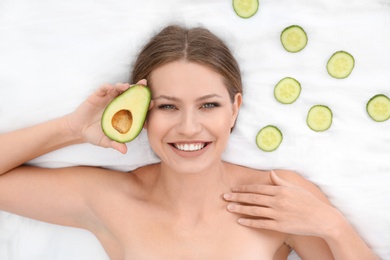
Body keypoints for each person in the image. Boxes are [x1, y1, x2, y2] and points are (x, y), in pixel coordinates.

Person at [0, 24, 377, 259]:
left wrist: (332, 226)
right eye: (168, 106)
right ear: (144, 114)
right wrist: (70, 128)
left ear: (234, 109)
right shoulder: (108, 199)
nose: (189, 127)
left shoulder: (277, 196)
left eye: (208, 105)